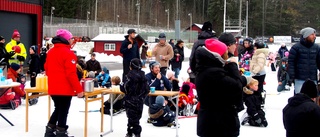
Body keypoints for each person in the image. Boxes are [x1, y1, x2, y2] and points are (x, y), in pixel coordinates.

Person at [194, 38, 244, 137]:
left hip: (211, 122)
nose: (227, 54)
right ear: (218, 55)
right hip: (219, 124)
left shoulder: (207, 69)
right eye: (225, 52)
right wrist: (233, 66)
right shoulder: (214, 73)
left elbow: (228, 84)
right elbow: (236, 86)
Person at [44, 29, 84, 137]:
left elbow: (46, 68)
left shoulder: (51, 52)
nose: (72, 40)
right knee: (63, 110)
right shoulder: (68, 53)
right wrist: (79, 90)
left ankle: (49, 129)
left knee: (58, 108)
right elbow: (71, 74)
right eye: (71, 38)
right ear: (66, 39)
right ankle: (61, 131)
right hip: (64, 88)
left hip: (53, 88)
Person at [120, 58, 149, 137]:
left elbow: (123, 87)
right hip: (139, 101)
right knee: (135, 118)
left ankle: (135, 133)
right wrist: (142, 97)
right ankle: (130, 132)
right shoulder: (143, 76)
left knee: (132, 119)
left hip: (130, 100)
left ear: (131, 66)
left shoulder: (129, 76)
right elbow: (147, 89)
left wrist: (127, 92)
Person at [288, 27, 320, 94]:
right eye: (312, 34)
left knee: (312, 100)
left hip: (312, 78)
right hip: (299, 79)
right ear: (306, 36)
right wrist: (291, 76)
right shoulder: (296, 48)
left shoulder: (317, 47)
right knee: (299, 98)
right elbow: (291, 63)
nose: (315, 36)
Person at [250, 42, 269, 106]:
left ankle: (260, 101)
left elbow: (260, 64)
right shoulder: (257, 53)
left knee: (258, 88)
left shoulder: (260, 54)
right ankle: (257, 100)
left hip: (259, 73)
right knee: (256, 87)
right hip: (257, 73)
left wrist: (254, 71)